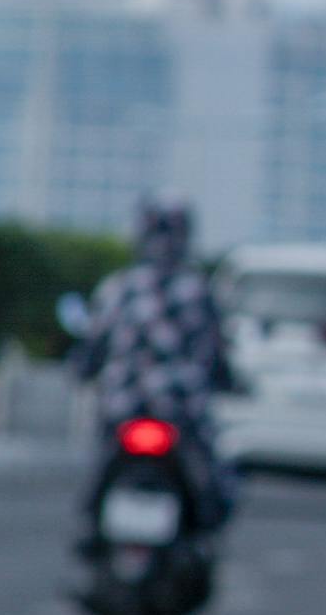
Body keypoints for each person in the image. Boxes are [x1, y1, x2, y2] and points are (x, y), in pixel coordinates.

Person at [69, 197, 238, 531]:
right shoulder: (198, 290)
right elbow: (217, 356)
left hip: (123, 408)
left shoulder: (119, 287)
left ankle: (92, 526)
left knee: (99, 472)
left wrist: (83, 370)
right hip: (180, 413)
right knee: (210, 486)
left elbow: (92, 350)